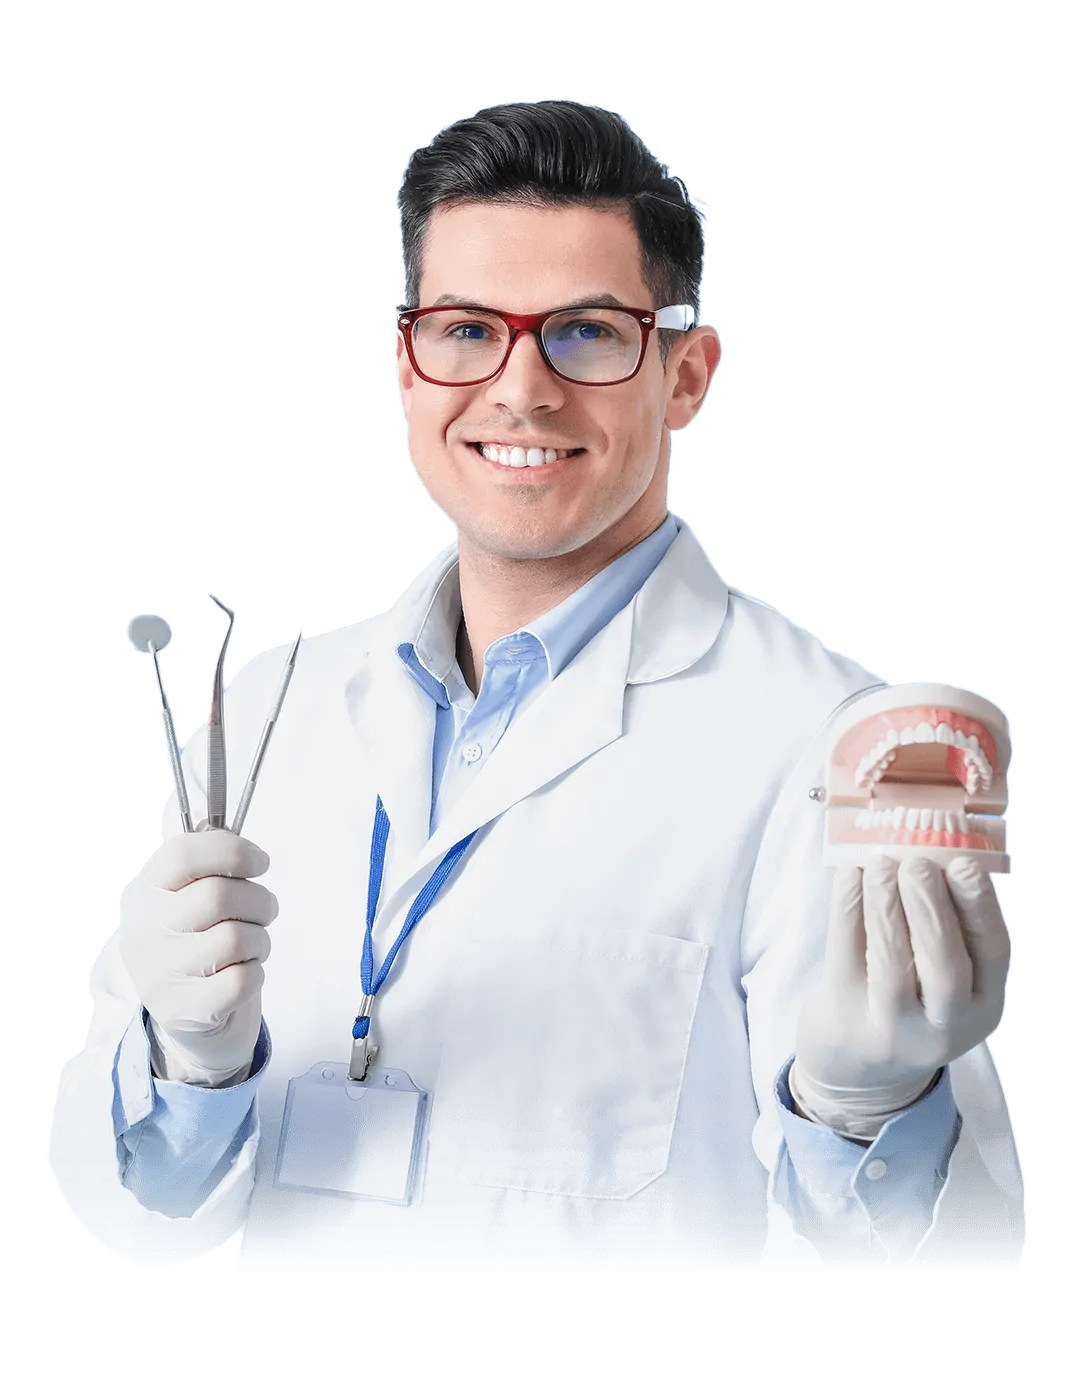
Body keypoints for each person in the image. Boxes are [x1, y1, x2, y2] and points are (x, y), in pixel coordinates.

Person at [49, 98, 1023, 1277]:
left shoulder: (825, 744)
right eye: (466, 329)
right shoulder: (262, 715)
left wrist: (868, 1110)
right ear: (404, 363)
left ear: (687, 375)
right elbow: (142, 1227)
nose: (520, 389)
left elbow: (936, 1259)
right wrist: (186, 1071)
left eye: (586, 332)